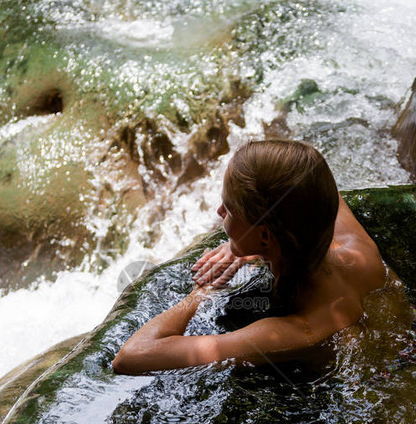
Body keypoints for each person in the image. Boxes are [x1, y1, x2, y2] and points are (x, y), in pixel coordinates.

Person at [112, 139, 387, 375]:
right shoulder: (359, 251)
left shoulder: (298, 331)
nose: (219, 211)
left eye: (229, 209)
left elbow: (131, 356)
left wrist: (202, 292)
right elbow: (310, 182)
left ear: (266, 235)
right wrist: (248, 246)